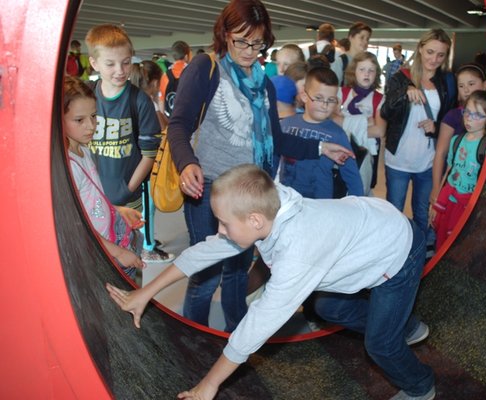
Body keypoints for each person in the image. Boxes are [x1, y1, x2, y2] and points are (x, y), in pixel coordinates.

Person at [106, 163, 435, 400]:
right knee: (328, 307)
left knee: (380, 344)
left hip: (397, 251)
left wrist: (209, 385)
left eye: (223, 223)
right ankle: (404, 326)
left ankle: (421, 386)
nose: (220, 231)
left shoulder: (298, 252)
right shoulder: (264, 206)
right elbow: (202, 253)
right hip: (369, 228)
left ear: (254, 220)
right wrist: (144, 294)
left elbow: (258, 324)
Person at [167, 0, 355, 332]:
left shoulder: (263, 83)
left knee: (238, 273)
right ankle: (194, 338)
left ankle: (236, 335)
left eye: (257, 43)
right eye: (242, 40)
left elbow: (277, 140)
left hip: (248, 192)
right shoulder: (206, 68)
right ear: (225, 35)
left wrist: (322, 147)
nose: (250, 51)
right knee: (206, 273)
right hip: (207, 186)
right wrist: (186, 164)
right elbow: (179, 124)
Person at [380, 28, 456, 252]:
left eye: (440, 55)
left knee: (422, 212)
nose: (434, 59)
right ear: (420, 48)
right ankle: (390, 254)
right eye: (430, 52)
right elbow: (386, 112)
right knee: (394, 211)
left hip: (428, 160)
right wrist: (406, 92)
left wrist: (437, 126)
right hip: (398, 160)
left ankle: (420, 253)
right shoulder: (400, 78)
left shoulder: (447, 82)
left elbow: (450, 117)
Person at [64, 76, 145, 280]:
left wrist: (117, 210)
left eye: (94, 116)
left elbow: (90, 199)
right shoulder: (69, 167)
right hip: (98, 250)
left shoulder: (83, 150)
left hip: (107, 238)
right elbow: (76, 225)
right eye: (79, 120)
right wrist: (117, 252)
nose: (91, 126)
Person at [85, 24, 162, 216]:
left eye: (126, 62)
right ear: (94, 63)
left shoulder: (139, 101)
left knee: (127, 244)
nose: (120, 70)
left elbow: (149, 153)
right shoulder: (86, 96)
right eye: (110, 64)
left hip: (128, 199)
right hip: (90, 195)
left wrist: (127, 190)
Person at [278, 67, 363, 199]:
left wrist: (359, 206)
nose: (325, 105)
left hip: (320, 203)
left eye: (331, 100)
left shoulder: (338, 134)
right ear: (305, 96)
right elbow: (272, 161)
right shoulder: (285, 125)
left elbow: (352, 175)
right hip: (286, 198)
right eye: (319, 98)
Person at [430, 90, 486, 249]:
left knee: (458, 245)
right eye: (467, 112)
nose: (469, 118)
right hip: (448, 200)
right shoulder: (456, 141)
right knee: (441, 242)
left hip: (466, 205)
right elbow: (450, 170)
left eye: (478, 115)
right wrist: (437, 199)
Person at [129, 60, 176, 264]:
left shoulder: (130, 100)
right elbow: (165, 126)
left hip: (133, 161)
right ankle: (147, 247)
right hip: (147, 163)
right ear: (155, 82)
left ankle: (144, 240)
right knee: (147, 207)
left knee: (143, 206)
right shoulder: (147, 102)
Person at [430, 63, 486, 208]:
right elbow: (441, 153)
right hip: (454, 188)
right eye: (461, 86)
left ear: (485, 84)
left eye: (471, 84)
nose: (466, 90)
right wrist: (436, 187)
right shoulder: (453, 115)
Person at [334, 51, 386, 194]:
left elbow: (379, 131)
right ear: (353, 72)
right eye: (362, 69)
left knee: (361, 191)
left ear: (376, 73)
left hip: (365, 156)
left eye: (371, 70)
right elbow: (332, 120)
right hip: (339, 150)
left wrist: (345, 122)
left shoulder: (379, 99)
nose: (366, 74)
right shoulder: (341, 93)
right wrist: (366, 121)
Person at [159, 40, 193, 117]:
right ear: (186, 56)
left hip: (171, 120)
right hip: (188, 119)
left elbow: (161, 101)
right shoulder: (193, 73)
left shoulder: (165, 76)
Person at [337, 21, 372, 86]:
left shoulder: (368, 62)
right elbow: (333, 89)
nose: (365, 42)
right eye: (362, 38)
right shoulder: (341, 61)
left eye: (367, 39)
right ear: (351, 38)